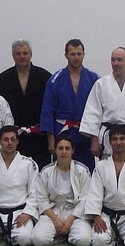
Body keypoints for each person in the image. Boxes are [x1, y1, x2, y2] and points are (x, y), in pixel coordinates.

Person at [84, 126, 125, 246]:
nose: (118, 142)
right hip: (106, 215)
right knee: (99, 241)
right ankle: (115, 238)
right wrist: (97, 217)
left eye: (122, 139)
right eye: (115, 139)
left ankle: (117, 235)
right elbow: (95, 193)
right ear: (110, 142)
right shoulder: (101, 166)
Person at [40, 38, 100, 171]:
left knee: (86, 171)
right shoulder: (55, 79)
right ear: (66, 55)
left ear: (84, 54)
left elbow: (99, 111)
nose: (76, 58)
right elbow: (47, 110)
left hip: (85, 134)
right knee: (62, 172)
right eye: (72, 54)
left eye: (79, 54)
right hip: (62, 135)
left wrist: (95, 139)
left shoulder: (94, 78)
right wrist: (51, 140)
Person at [0, 126, 39, 246]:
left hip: (19, 212)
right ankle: (2, 232)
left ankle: (6, 232)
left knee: (24, 239)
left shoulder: (28, 164)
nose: (9, 143)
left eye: (13, 139)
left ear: (17, 141)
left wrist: (27, 213)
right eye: (6, 139)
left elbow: (34, 193)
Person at [0, 39, 53, 169]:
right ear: (13, 56)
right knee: (15, 172)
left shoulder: (45, 77)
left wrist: (51, 138)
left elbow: (51, 107)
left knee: (41, 171)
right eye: (18, 53)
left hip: (39, 137)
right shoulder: (2, 80)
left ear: (31, 54)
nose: (22, 56)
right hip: (14, 137)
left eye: (25, 53)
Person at [31, 133, 92, 246]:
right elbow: (42, 199)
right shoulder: (46, 171)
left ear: (72, 151)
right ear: (55, 150)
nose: (64, 152)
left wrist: (70, 221)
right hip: (53, 211)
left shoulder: (82, 171)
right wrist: (55, 220)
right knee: (38, 239)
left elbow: (85, 199)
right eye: (60, 148)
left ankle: (67, 233)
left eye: (67, 148)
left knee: (84, 240)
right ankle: (62, 233)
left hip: (75, 212)